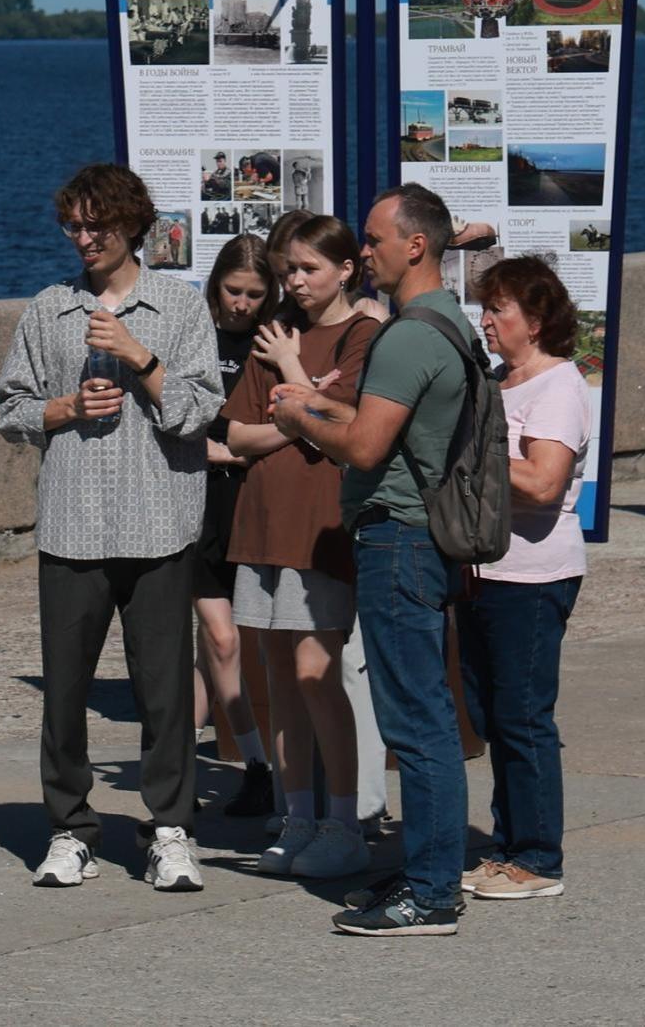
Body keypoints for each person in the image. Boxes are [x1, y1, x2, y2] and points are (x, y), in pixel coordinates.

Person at [0, 164, 221, 893]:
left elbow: (196, 410)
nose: (84, 239)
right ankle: (70, 829)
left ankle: (171, 830)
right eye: (74, 226)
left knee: (164, 694)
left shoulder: (179, 309)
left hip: (159, 523)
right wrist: (64, 410)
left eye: (99, 226)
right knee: (64, 691)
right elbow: (8, 410)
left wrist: (135, 356)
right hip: (73, 525)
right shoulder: (48, 309)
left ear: (132, 228)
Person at [271, 183, 478, 936]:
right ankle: (428, 869)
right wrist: (321, 401)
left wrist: (297, 415)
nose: (364, 251)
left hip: (398, 536)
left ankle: (429, 894)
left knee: (415, 722)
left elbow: (364, 448)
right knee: (421, 716)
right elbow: (384, 422)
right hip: (421, 535)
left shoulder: (407, 336)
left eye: (374, 239)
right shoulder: (448, 321)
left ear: (415, 245)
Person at [222, 214, 380, 879]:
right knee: (280, 680)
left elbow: (343, 426)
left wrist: (293, 383)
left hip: (320, 526)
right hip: (262, 520)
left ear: (346, 270)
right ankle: (298, 818)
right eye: (290, 270)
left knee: (319, 673)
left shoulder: (363, 335)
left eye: (309, 269)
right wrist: (298, 412)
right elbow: (237, 432)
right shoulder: (275, 329)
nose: (296, 281)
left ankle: (344, 824)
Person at [459, 256, 588, 903]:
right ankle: (507, 849)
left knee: (524, 716)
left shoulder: (559, 385)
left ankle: (538, 858)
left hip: (534, 576)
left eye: (498, 310)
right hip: (486, 572)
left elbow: (543, 482)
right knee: (491, 714)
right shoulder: (499, 383)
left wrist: (476, 451)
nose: (485, 320)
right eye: (484, 309)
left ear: (535, 321)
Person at [196, 235, 276, 817]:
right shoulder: (194, 337)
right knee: (218, 641)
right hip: (198, 508)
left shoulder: (273, 345)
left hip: (253, 506)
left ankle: (262, 767)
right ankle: (177, 772)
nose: (241, 304)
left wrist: (232, 452)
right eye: (232, 291)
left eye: (254, 294)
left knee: (250, 651)